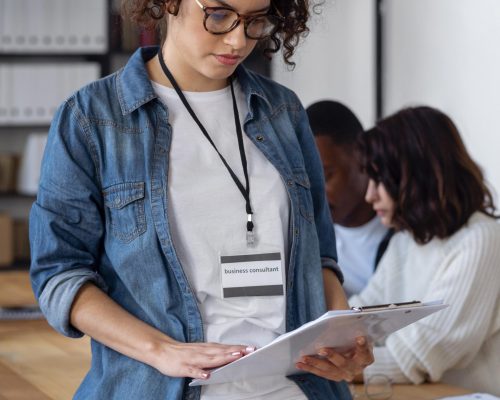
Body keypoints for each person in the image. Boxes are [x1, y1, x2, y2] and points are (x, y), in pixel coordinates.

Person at [29, 1, 373, 399]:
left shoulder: (283, 111)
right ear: (169, 4)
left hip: (299, 389)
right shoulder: (92, 118)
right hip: (161, 388)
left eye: (255, 20)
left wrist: (342, 332)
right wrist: (161, 351)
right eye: (219, 15)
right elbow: (60, 274)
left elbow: (320, 258)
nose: (237, 40)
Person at [349, 106, 500, 395]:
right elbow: (362, 317)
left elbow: (422, 354)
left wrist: (338, 366)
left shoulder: (481, 239)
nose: (370, 195)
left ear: (417, 176)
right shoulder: (407, 239)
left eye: (380, 180)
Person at [306, 100, 393, 297]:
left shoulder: (407, 229)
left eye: (326, 177)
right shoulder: (309, 245)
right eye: (305, 182)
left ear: (362, 157)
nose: (314, 195)